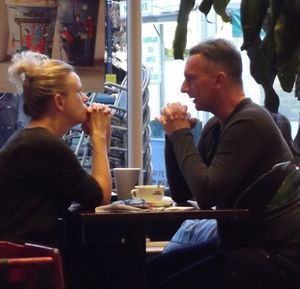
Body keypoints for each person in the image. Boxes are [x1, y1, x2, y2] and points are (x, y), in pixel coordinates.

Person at [147, 38, 300, 289]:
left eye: (191, 79)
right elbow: (184, 193)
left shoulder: (250, 121)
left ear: (219, 80)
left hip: (278, 255)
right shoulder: (216, 127)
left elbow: (206, 194)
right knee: (151, 272)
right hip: (240, 246)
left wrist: (181, 134)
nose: (184, 88)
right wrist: (173, 136)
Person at [0, 51, 112, 247]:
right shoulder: (43, 145)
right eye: (78, 91)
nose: (85, 98)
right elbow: (101, 197)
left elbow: (90, 191)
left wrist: (101, 136)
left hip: (22, 257)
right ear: (59, 101)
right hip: (26, 264)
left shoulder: (33, 139)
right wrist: (98, 137)